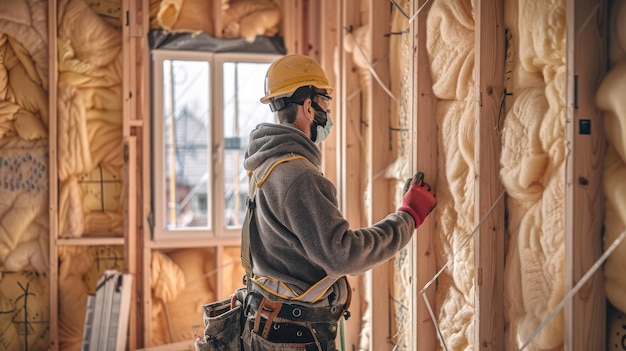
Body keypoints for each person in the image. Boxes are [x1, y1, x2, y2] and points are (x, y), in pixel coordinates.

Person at [240, 54, 437, 351]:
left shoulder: (265, 165)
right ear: (309, 106)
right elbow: (343, 255)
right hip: (295, 335)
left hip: (271, 324)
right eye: (326, 104)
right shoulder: (298, 175)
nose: (328, 114)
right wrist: (408, 216)